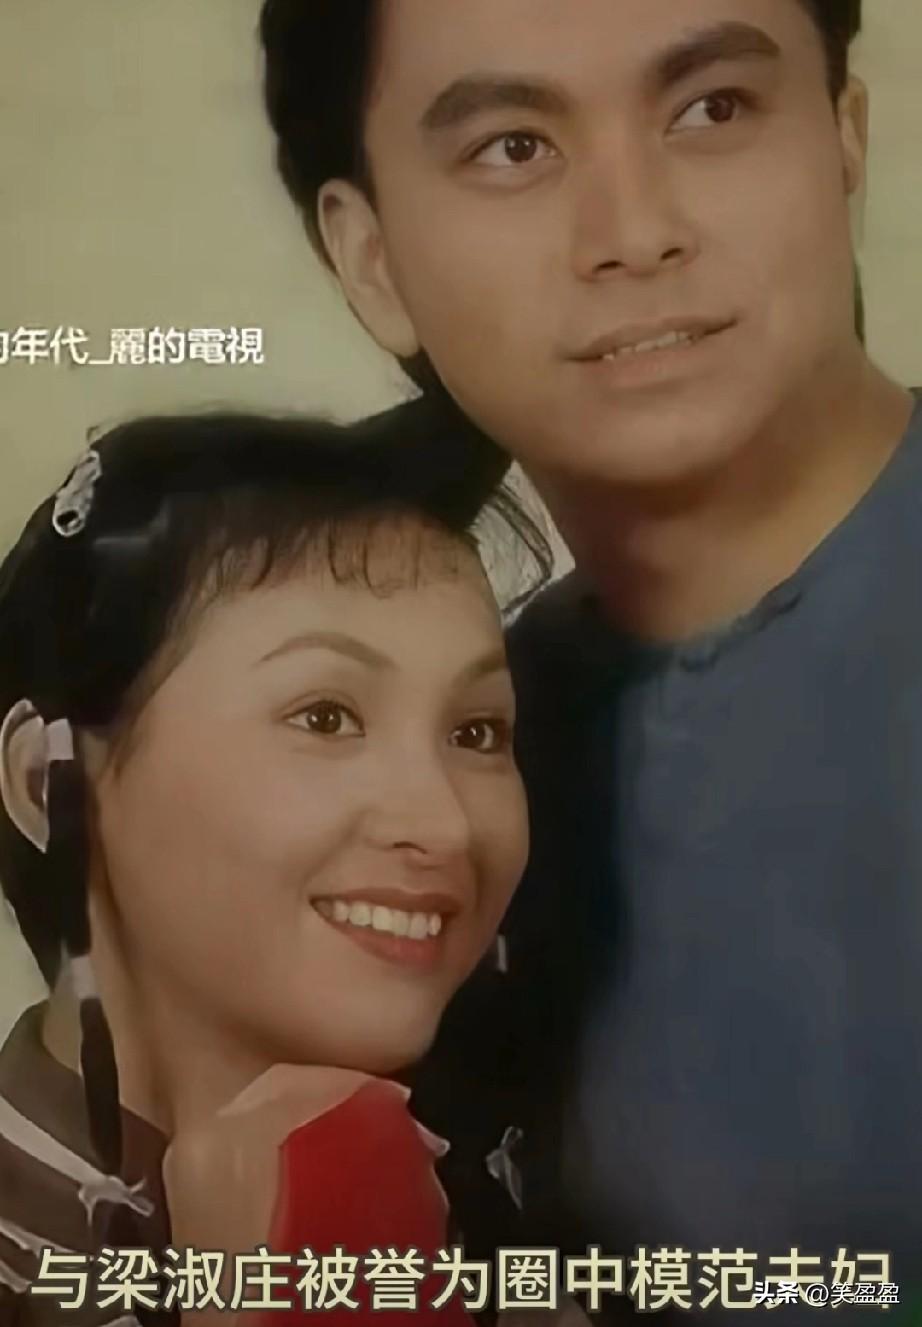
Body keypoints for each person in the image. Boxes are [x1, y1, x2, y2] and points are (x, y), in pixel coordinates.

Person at [258, 0, 922, 1320]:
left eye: (712, 108)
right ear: (371, 257)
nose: (635, 231)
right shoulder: (451, 785)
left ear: (843, 135)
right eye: (512, 147)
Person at [0, 404, 552, 1325]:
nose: (446, 825)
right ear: (50, 783)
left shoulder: (518, 1201)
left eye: (477, 731)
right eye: (325, 716)